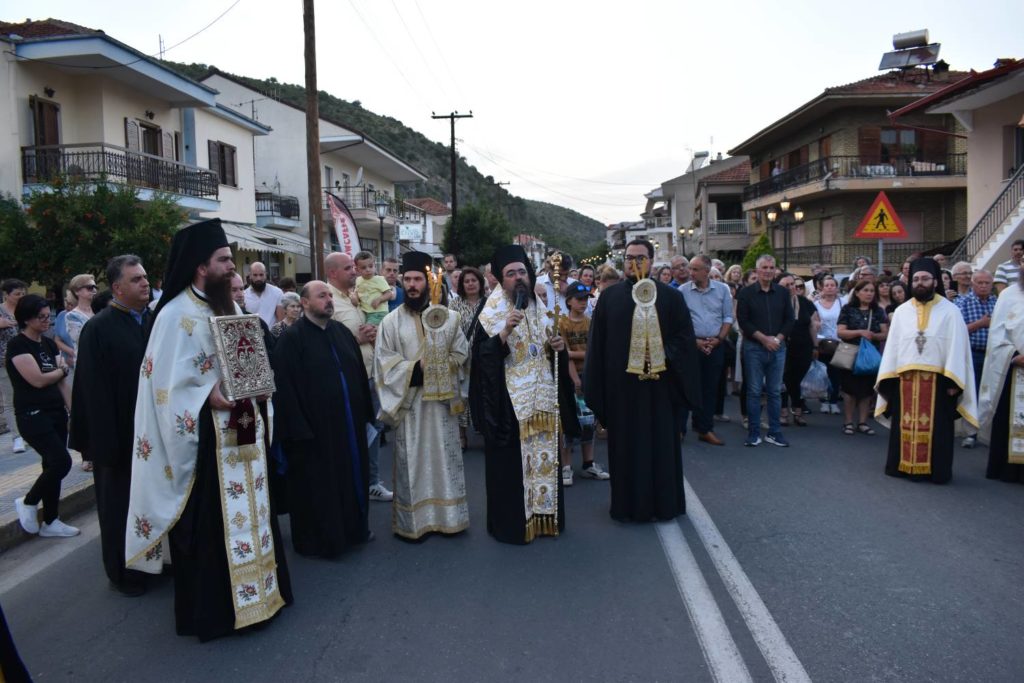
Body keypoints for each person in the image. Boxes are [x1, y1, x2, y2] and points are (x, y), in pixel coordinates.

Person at [125, 219, 291, 641]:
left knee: (256, 515)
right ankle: (218, 611)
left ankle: (262, 595)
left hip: (245, 435)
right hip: (207, 445)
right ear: (201, 267)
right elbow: (162, 389)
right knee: (213, 526)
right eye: (224, 262)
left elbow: (248, 361)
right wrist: (205, 397)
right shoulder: (174, 315)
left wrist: (260, 384)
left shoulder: (229, 307)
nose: (233, 271)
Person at [585, 239, 700, 521]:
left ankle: (665, 504)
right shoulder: (609, 299)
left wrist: (659, 355)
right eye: (629, 257)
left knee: (661, 446)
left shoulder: (671, 298)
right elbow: (597, 346)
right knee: (625, 448)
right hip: (622, 389)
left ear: (651, 260)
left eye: (640, 257)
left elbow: (684, 338)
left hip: (660, 388)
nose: (634, 262)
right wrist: (597, 388)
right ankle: (626, 506)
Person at [470, 244, 578, 543]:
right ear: (500, 279)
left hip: (541, 400)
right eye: (510, 273)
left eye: (521, 272)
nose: (518, 278)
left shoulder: (537, 306)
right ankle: (514, 526)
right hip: (509, 404)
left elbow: (547, 351)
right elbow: (480, 360)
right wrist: (503, 333)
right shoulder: (490, 312)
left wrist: (556, 348)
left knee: (544, 461)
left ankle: (545, 517)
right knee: (512, 469)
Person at [272, 280, 374, 555]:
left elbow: (358, 376)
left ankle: (354, 530)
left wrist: (365, 413)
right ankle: (322, 541)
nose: (329, 300)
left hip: (348, 426)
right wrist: (298, 429)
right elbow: (284, 389)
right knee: (319, 486)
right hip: (313, 432)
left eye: (330, 295)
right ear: (304, 303)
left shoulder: (341, 331)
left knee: (351, 477)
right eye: (321, 296)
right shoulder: (291, 339)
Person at [68, 255, 150, 595]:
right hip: (116, 440)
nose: (144, 283)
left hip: (149, 435)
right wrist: (104, 447)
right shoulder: (98, 329)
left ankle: (154, 562)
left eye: (145, 277)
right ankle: (124, 573)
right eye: (135, 280)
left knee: (149, 504)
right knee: (120, 509)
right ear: (117, 288)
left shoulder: (151, 321)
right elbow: (92, 393)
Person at [374, 253, 470, 540]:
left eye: (418, 279)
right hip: (411, 405)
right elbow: (384, 364)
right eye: (409, 280)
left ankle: (449, 517)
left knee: (445, 460)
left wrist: (443, 365)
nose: (413, 285)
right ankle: (414, 523)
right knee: (412, 463)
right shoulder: (390, 322)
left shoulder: (450, 319)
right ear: (402, 282)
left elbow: (463, 354)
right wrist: (417, 368)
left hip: (441, 406)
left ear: (429, 283)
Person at [875, 258, 977, 484]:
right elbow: (893, 348)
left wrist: (954, 383)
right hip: (905, 380)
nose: (920, 283)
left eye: (925, 279)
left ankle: (935, 470)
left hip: (939, 382)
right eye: (916, 279)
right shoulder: (902, 312)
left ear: (935, 281)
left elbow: (958, 348)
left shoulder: (951, 311)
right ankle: (902, 466)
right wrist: (890, 380)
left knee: (938, 430)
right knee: (904, 426)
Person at [9, 293, 77, 538]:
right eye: (41, 317)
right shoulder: (18, 346)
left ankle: (51, 520)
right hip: (32, 415)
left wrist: (73, 412)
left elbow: (62, 381)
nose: (47, 321)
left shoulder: (47, 344)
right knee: (61, 462)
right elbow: (37, 380)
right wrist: (59, 371)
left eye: (48, 315)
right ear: (27, 319)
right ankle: (28, 501)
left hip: (56, 412)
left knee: (51, 465)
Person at [736, 255, 794, 447]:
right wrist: (764, 339)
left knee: (775, 392)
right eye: (764, 267)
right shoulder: (745, 293)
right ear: (757, 270)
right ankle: (753, 433)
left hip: (778, 348)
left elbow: (789, 320)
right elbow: (744, 321)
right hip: (754, 347)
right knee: (753, 391)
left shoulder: (783, 293)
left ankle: (775, 432)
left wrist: (776, 339)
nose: (768, 270)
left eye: (771, 267)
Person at [976, 265, 1024, 483]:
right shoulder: (1008, 295)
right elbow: (997, 334)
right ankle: (1007, 470)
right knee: (1007, 417)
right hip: (1013, 368)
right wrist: (1013, 354)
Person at [679, 255, 733, 446]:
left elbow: (728, 317)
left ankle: (705, 428)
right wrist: (696, 342)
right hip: (691, 346)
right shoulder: (683, 291)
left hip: (715, 345)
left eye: (695, 269)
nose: (690, 273)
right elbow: (679, 323)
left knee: (709, 388)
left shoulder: (722, 290)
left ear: (707, 270)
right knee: (686, 387)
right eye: (690, 268)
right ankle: (680, 430)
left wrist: (718, 340)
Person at [558, 282, 609, 484]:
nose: (583, 303)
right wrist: (576, 378)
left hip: (591, 377)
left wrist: (576, 354)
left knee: (589, 421)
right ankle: (566, 466)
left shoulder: (590, 322)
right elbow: (564, 355)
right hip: (571, 378)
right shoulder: (562, 324)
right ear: (569, 301)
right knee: (568, 422)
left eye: (586, 299)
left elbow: (595, 352)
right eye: (579, 299)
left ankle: (588, 464)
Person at [837, 280, 888, 436]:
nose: (869, 293)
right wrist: (859, 332)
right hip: (849, 352)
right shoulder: (848, 309)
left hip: (869, 354)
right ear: (857, 292)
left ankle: (862, 422)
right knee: (849, 390)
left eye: (872, 291)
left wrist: (873, 335)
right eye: (865, 290)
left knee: (867, 390)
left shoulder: (878, 311)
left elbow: (885, 333)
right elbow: (840, 332)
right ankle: (848, 422)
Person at [955, 270, 997, 448]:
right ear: (972, 284)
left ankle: (988, 431)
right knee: (972, 393)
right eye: (979, 282)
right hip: (972, 353)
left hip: (994, 354)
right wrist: (980, 324)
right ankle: (970, 432)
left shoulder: (998, 302)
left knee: (992, 394)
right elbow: (957, 330)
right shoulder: (962, 303)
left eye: (987, 282)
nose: (983, 285)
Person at [450, 266, 485, 449]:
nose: (471, 284)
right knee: (461, 396)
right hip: (462, 359)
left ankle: (487, 431)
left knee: (484, 395)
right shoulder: (455, 305)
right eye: (467, 281)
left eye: (474, 280)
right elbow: (449, 330)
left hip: (484, 359)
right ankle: (462, 436)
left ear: (480, 282)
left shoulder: (489, 304)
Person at [779, 273, 819, 427]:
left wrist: (815, 346)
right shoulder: (777, 303)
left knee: (797, 380)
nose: (791, 288)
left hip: (803, 346)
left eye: (792, 284)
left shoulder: (805, 302)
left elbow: (812, 325)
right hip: (784, 346)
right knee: (784, 379)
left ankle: (797, 410)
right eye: (786, 285)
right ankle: (783, 411)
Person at [0, 279, 27, 453]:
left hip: (27, 360)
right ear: (6, 295)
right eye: (17, 294)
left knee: (26, 397)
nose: (20, 297)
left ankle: (28, 432)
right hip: (4, 361)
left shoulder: (25, 310)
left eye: (23, 294)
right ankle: (17, 437)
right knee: (10, 400)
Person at [814, 275, 843, 415]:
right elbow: (813, 323)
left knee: (836, 374)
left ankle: (834, 401)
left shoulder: (842, 302)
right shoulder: (816, 304)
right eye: (827, 285)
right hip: (823, 343)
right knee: (823, 372)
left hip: (839, 342)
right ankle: (824, 401)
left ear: (836, 288)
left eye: (832, 285)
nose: (830, 287)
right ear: (822, 288)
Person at [353, 251, 394, 326]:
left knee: (368, 330)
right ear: (357, 270)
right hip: (365, 312)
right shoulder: (358, 280)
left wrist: (379, 299)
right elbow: (356, 291)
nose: (368, 269)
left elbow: (389, 294)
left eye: (370, 266)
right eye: (363, 267)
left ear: (375, 266)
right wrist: (355, 297)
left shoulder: (379, 279)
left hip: (378, 312)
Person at [243, 261, 284, 327]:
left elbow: (281, 320)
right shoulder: (243, 295)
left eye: (261, 275)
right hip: (252, 336)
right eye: (255, 275)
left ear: (266, 275)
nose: (258, 278)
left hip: (272, 335)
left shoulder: (277, 292)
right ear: (250, 276)